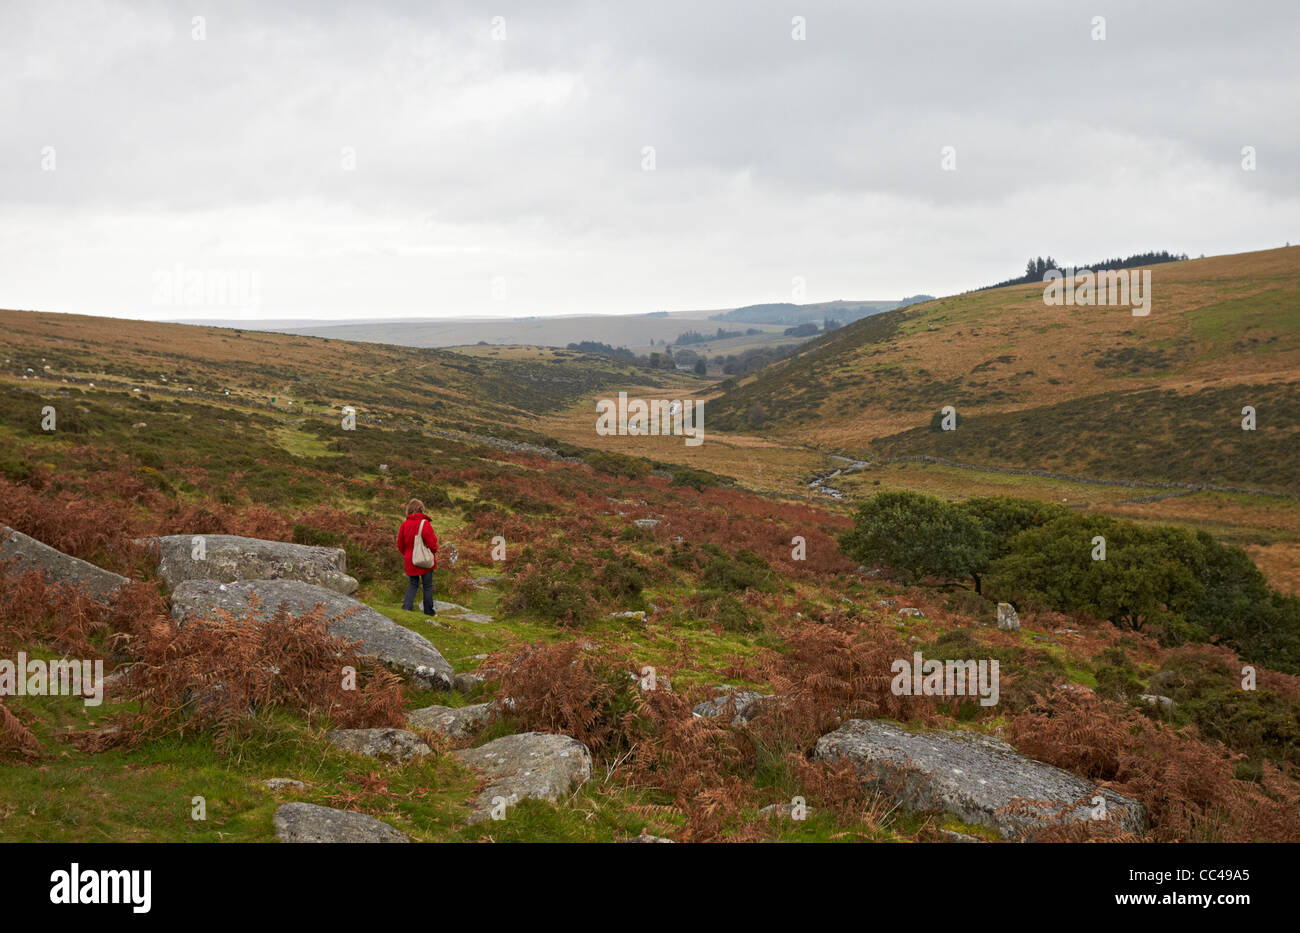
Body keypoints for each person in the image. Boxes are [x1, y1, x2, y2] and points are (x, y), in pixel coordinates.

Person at [396, 498, 439, 615]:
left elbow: (400, 544)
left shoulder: (404, 524)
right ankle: (429, 611)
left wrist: (407, 555)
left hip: (410, 559)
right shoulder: (424, 524)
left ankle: (406, 608)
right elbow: (432, 543)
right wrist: (434, 550)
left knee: (413, 584)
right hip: (424, 559)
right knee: (428, 586)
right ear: (421, 509)